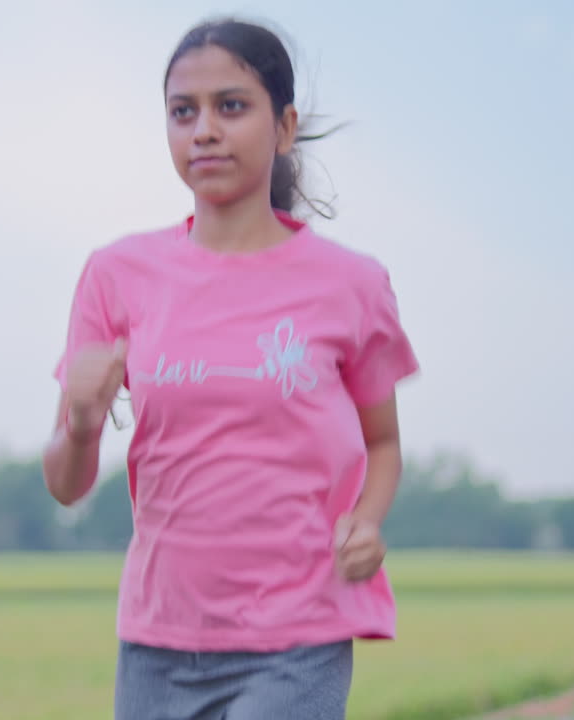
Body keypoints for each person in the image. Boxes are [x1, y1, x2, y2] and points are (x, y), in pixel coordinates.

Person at [42, 17, 419, 720]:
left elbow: (383, 442)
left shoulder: (352, 284)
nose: (204, 131)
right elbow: (66, 485)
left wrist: (366, 522)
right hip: (158, 639)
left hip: (299, 635)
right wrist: (85, 422)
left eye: (232, 106)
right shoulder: (116, 275)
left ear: (284, 128)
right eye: (183, 112)